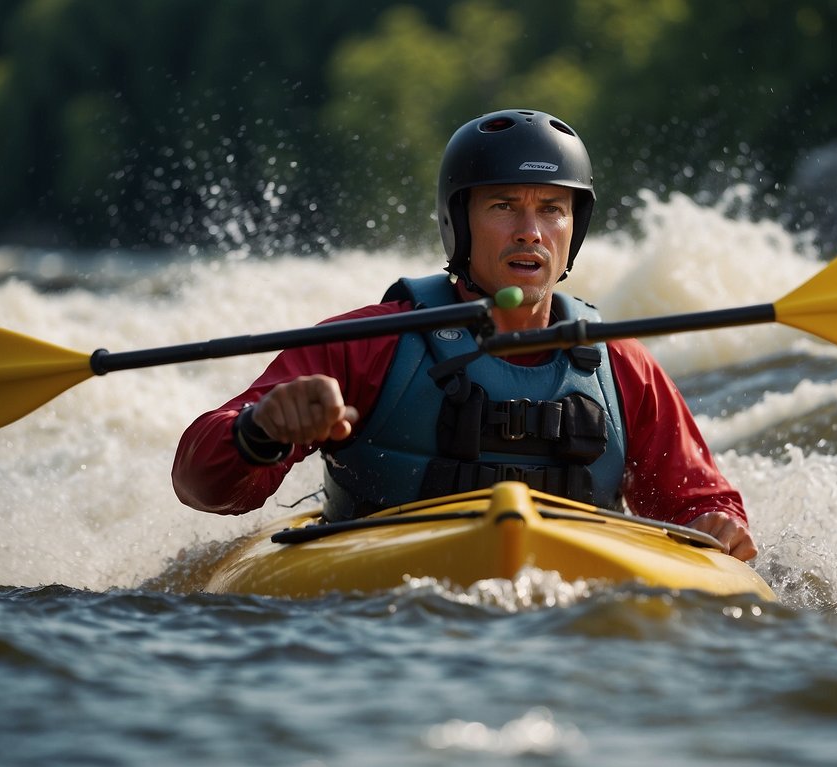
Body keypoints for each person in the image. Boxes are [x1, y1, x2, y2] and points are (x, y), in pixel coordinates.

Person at [172, 108, 757, 560]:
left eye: (552, 209)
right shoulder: (366, 344)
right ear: (458, 224)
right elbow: (202, 485)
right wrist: (260, 431)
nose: (531, 232)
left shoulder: (621, 363)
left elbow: (700, 503)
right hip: (386, 596)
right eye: (504, 206)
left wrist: (717, 526)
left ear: (574, 229)